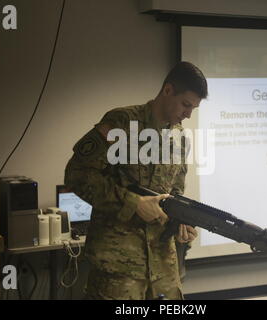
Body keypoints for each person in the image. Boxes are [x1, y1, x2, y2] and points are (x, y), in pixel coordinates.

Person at [64, 61, 208, 300]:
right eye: (185, 105)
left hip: (163, 266)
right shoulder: (121, 122)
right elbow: (78, 175)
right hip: (119, 266)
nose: (188, 114)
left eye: (193, 108)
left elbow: (175, 192)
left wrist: (182, 222)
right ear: (168, 90)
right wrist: (134, 203)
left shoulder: (180, 137)